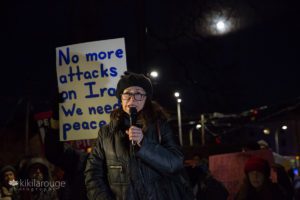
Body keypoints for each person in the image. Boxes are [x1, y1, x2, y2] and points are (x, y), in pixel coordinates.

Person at [85, 72, 189, 200]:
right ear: (121, 98)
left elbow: (175, 163)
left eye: (138, 94)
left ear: (146, 99)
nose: (132, 99)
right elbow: (93, 174)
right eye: (127, 94)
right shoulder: (106, 133)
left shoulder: (161, 127)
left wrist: (144, 143)